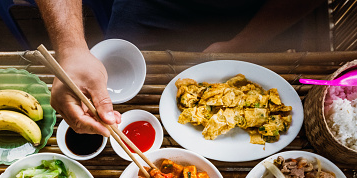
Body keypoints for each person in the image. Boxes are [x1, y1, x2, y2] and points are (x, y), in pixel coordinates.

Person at [36, 0, 323, 136]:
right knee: (115, 90)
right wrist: (71, 48)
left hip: (259, 12)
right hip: (152, 6)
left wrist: (242, 43)